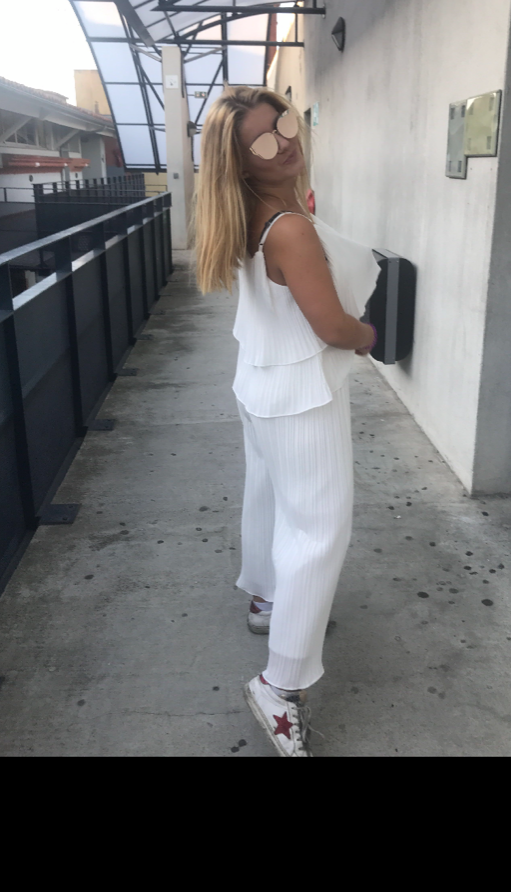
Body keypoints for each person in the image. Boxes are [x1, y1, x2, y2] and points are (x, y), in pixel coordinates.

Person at [189, 86, 380, 756]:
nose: (287, 143)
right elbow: (332, 326)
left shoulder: (244, 214)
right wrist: (370, 335)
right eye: (265, 140)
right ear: (239, 161)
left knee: (270, 497)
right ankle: (280, 684)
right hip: (299, 390)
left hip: (260, 379)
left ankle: (267, 598)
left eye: (287, 124)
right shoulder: (289, 227)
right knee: (319, 530)